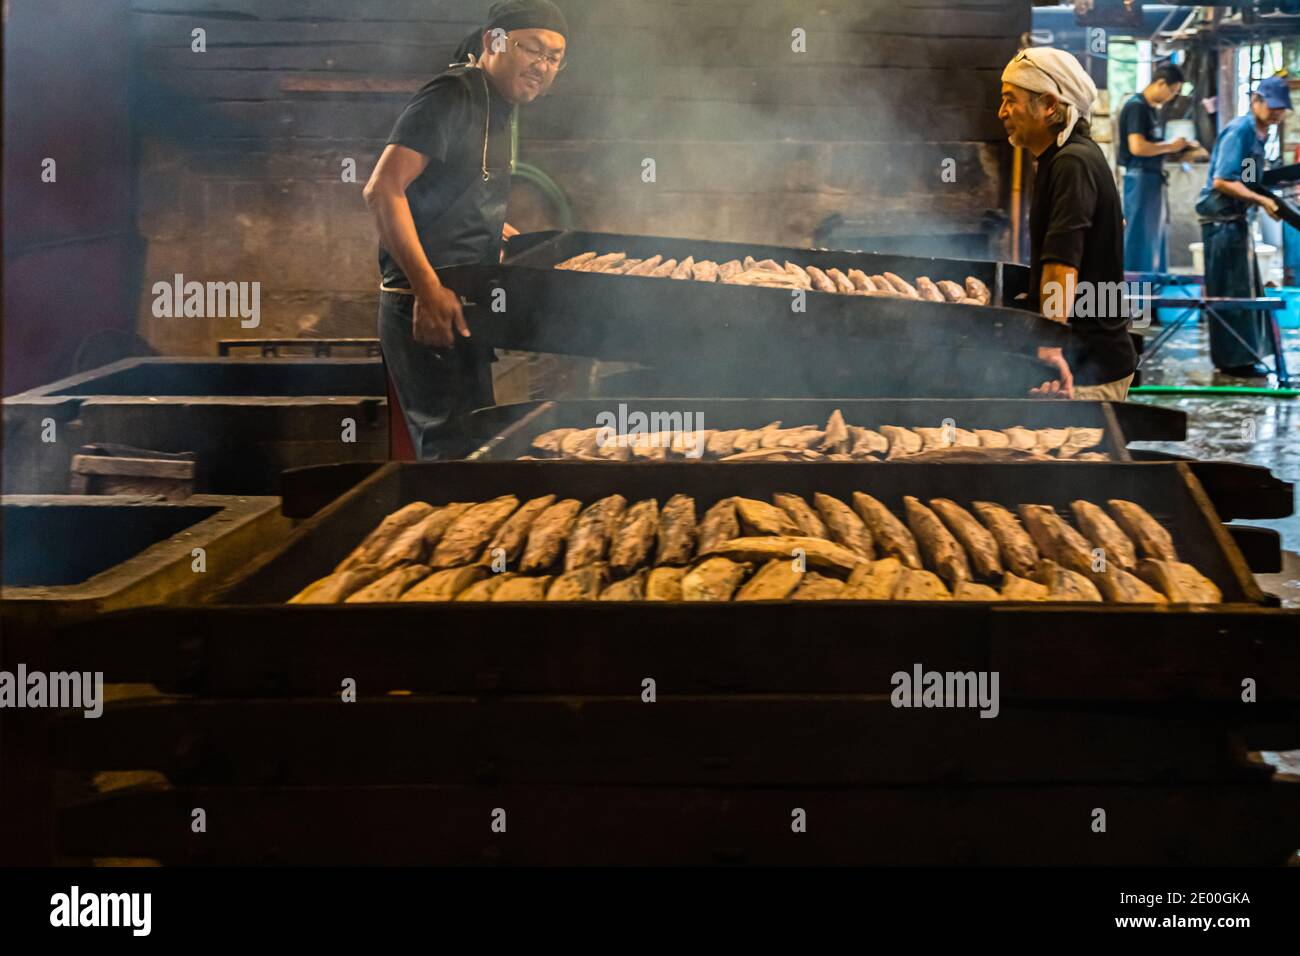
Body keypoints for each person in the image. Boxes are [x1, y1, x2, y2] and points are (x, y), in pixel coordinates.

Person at [363, 0, 569, 458]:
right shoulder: (452, 94)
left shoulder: (500, 103)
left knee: (475, 446)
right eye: (532, 49)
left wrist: (499, 231)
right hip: (425, 301)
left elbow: (451, 194)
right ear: (493, 42)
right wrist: (427, 290)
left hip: (463, 301)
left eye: (554, 58)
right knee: (449, 452)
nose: (543, 65)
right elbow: (383, 190)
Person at [999, 47, 1137, 401]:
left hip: (1086, 366)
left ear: (1048, 105)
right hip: (1082, 356)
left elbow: (1062, 264)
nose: (1001, 113)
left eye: (1009, 100)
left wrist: (1049, 348)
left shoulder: (1071, 162)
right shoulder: (1063, 158)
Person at [1193, 76, 1289, 378]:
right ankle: (1233, 362)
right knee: (1230, 295)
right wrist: (1260, 202)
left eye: (1281, 109)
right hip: (1221, 222)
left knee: (1246, 292)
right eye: (1271, 106)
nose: (1276, 113)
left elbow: (1247, 178)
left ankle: (1245, 356)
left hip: (1237, 221)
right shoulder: (1240, 131)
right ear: (1255, 101)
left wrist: (1270, 198)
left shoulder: (1261, 134)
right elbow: (1223, 180)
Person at [1118, 63, 1193, 274]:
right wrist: (1171, 145)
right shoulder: (1136, 107)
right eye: (1173, 91)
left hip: (1152, 179)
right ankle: (1132, 294)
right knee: (1138, 238)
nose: (1172, 97)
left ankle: (1151, 293)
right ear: (1161, 83)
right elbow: (1138, 147)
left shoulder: (1151, 111)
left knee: (1153, 239)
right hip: (1140, 179)